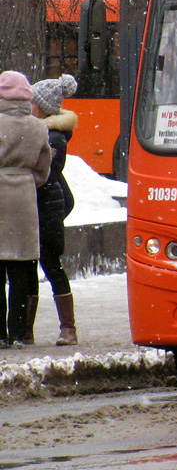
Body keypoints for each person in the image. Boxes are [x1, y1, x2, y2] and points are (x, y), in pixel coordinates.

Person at [0, 70, 52, 348]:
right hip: (23, 199)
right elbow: (43, 168)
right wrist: (26, 180)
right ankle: (20, 332)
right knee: (21, 269)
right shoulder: (38, 127)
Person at [27, 73, 79, 345]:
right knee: (30, 269)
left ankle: (67, 328)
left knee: (51, 266)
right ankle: (26, 330)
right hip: (39, 210)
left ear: (44, 107)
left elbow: (47, 173)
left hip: (47, 211)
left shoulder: (54, 137)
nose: (28, 106)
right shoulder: (39, 131)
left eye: (33, 103)